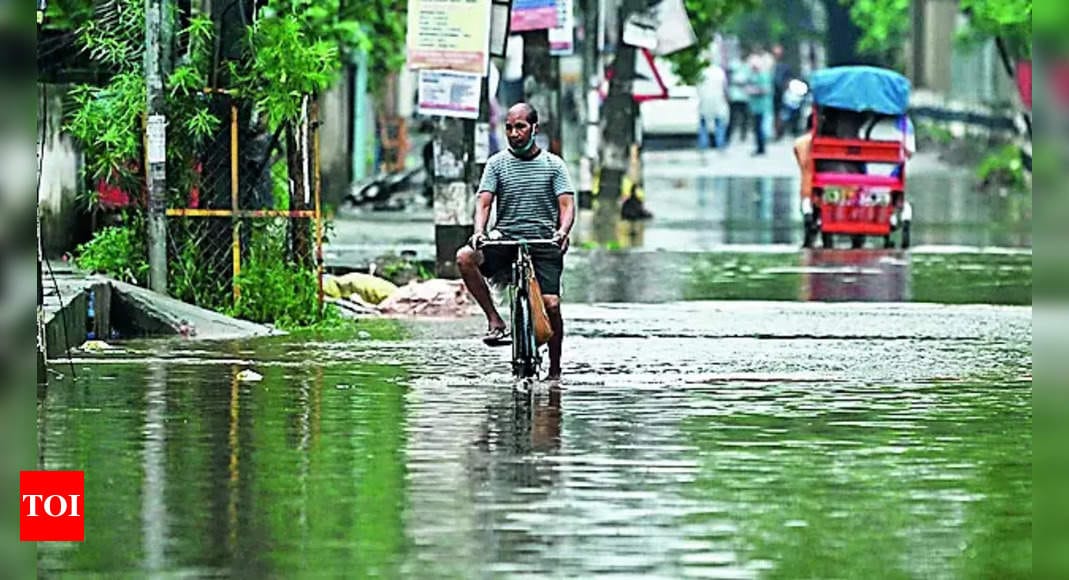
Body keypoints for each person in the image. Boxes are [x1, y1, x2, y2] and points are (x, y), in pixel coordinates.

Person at [456, 103, 576, 380]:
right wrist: (479, 231)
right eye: (509, 127)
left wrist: (562, 231)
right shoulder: (496, 164)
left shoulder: (553, 165)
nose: (514, 133)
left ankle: (555, 368)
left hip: (544, 242)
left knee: (551, 305)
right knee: (465, 257)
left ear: (534, 128)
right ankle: (495, 320)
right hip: (505, 240)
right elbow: (484, 202)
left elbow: (567, 204)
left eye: (520, 127)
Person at [697, 62, 730, 150]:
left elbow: (697, 86)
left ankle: (703, 144)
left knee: (703, 123)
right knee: (719, 122)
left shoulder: (701, 72)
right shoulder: (720, 72)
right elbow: (725, 87)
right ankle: (720, 144)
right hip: (718, 99)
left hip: (704, 99)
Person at [726, 55, 752, 146]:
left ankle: (743, 135)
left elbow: (749, 79)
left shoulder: (747, 67)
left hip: (744, 96)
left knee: (744, 117)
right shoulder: (734, 64)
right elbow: (729, 77)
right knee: (732, 117)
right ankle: (728, 136)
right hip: (735, 95)